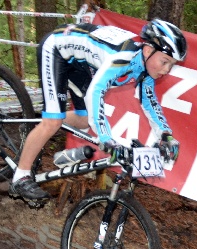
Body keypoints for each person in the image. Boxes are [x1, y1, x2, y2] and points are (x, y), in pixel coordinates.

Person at [10, 19, 187, 202]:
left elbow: (150, 101)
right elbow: (96, 92)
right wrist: (106, 138)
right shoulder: (122, 58)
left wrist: (166, 134)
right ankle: (20, 177)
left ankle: (39, 130)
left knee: (84, 119)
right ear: (148, 50)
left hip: (79, 63)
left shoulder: (144, 68)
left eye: (171, 65)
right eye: (165, 61)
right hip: (56, 49)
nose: (167, 70)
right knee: (54, 121)